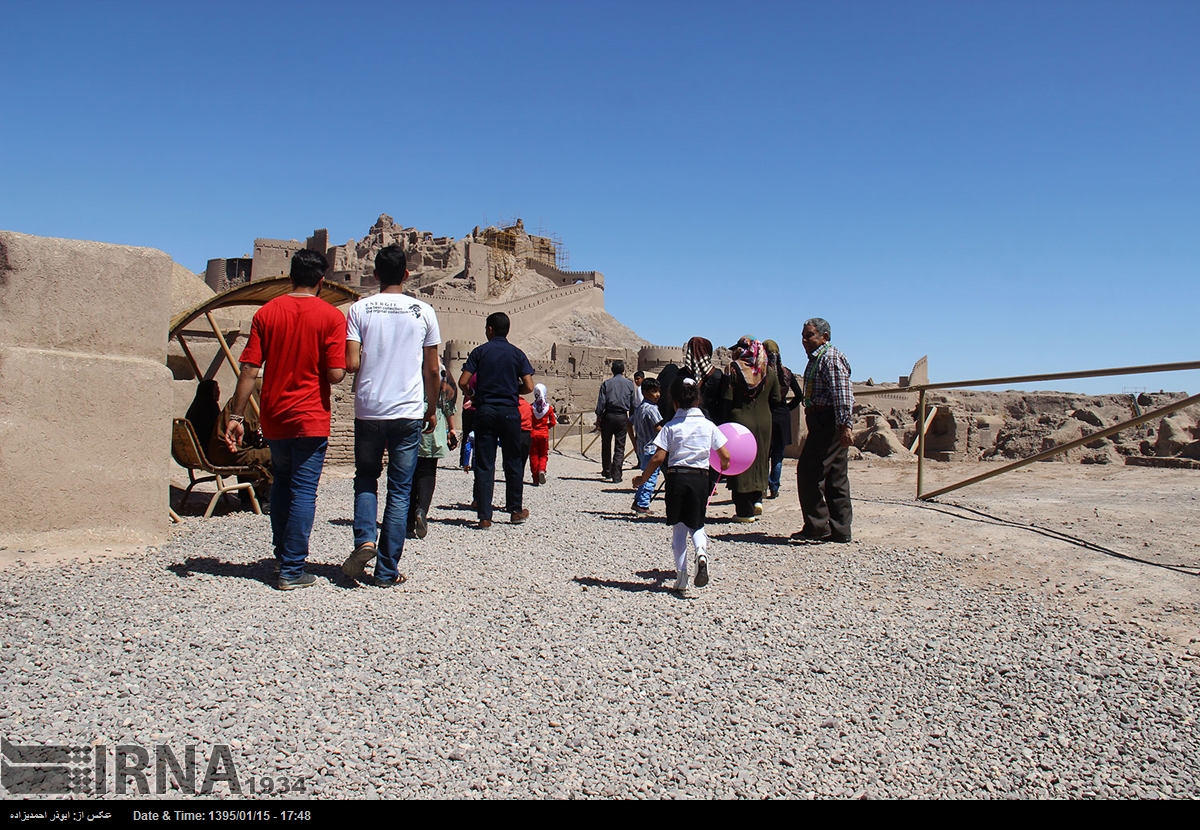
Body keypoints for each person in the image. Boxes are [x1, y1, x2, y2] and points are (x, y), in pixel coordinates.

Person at [224, 249, 347, 591]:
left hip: (274, 415)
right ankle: (292, 569)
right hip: (310, 416)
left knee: (281, 483)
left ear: (290, 276)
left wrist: (236, 414)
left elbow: (249, 367)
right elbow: (336, 374)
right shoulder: (331, 317)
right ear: (321, 282)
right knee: (304, 490)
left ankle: (282, 555)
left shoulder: (266, 313)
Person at [339, 244, 440, 588]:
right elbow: (432, 369)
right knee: (400, 490)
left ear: (376, 274)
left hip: (369, 408)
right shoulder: (423, 311)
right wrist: (431, 407)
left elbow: (351, 363)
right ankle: (386, 570)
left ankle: (364, 540)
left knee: (366, 478)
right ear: (407, 274)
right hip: (408, 411)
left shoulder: (359, 309)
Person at [632, 376, 730, 594]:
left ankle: (682, 576)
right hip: (700, 479)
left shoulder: (671, 426)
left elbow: (658, 458)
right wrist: (724, 465)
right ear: (697, 400)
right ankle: (702, 552)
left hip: (677, 478)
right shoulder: (708, 425)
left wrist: (643, 479)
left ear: (674, 401)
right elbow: (725, 455)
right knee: (697, 524)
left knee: (678, 529)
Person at [458, 312, 535, 529]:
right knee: (512, 461)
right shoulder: (517, 354)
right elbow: (529, 386)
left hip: (485, 411)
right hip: (510, 412)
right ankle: (515, 509)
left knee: (484, 463)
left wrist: (474, 394)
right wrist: (512, 391)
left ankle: (484, 515)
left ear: (490, 329)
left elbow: (463, 382)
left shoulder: (480, 352)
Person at [794, 317, 855, 543]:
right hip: (824, 420)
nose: (804, 340)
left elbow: (842, 394)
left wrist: (844, 425)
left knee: (809, 472)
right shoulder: (817, 358)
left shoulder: (830, 358)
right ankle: (840, 529)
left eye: (809, 335)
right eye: (803, 335)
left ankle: (817, 526)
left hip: (828, 422)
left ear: (824, 337)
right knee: (835, 476)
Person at [723, 337, 781, 522]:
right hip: (764, 422)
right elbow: (776, 399)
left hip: (740, 422)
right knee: (761, 459)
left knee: (740, 463)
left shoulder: (734, 369)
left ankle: (744, 511)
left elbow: (727, 399)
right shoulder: (768, 371)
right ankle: (758, 500)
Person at [407, 369, 457, 540]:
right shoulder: (442, 372)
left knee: (409, 474)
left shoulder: (412, 364)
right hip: (434, 427)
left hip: (411, 421)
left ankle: (407, 521)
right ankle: (421, 510)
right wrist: (451, 429)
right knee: (428, 473)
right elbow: (449, 404)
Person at [763, 339, 803, 500]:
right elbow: (799, 395)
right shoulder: (786, 373)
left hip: (767, 415)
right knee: (778, 456)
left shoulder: (764, 373)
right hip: (782, 417)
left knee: (764, 455)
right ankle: (774, 486)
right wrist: (787, 408)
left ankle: (762, 486)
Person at [595, 359, 636, 482]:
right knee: (620, 446)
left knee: (606, 444)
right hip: (622, 417)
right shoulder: (629, 384)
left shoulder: (606, 384)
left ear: (612, 370)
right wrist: (631, 419)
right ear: (623, 370)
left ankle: (607, 471)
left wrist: (598, 418)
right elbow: (633, 403)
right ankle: (617, 475)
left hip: (608, 416)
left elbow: (601, 403)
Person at [630, 377, 662, 514]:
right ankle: (643, 505)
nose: (657, 395)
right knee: (651, 477)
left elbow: (628, 423)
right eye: (654, 391)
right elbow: (658, 428)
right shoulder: (651, 409)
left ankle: (637, 502)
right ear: (645, 392)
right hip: (651, 449)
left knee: (645, 475)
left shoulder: (639, 408)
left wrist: (634, 442)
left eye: (658, 391)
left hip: (642, 448)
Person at [528, 383, 557, 486]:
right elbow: (553, 422)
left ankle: (535, 478)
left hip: (533, 435)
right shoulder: (548, 408)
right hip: (543, 435)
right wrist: (546, 427)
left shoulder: (531, 407)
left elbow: (528, 421)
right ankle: (541, 470)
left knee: (533, 456)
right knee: (543, 455)